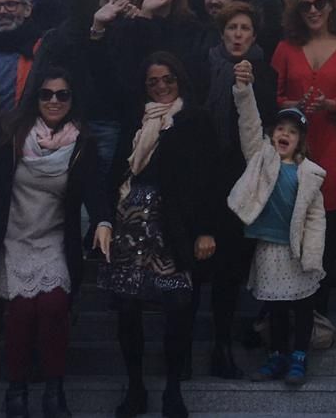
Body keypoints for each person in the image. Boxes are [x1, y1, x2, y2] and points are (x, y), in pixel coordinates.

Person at [0, 66, 109, 418]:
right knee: (22, 311)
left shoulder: (81, 142)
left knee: (54, 306)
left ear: (73, 100)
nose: (54, 101)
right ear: (35, 98)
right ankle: (17, 391)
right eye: (46, 94)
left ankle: (55, 391)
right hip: (12, 237)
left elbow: (94, 189)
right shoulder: (12, 133)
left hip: (53, 237)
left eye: (62, 94)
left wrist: (103, 220)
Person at [102, 54, 219, 418]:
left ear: (179, 79)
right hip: (131, 223)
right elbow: (117, 170)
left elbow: (209, 179)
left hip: (176, 226)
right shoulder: (136, 120)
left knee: (178, 308)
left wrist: (206, 229)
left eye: (167, 78)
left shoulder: (196, 119)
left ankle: (173, 387)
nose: (161, 86)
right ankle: (135, 386)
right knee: (127, 310)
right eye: (153, 81)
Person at [227, 68, 328, 387]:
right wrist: (243, 89)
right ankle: (277, 354)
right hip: (269, 248)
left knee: (301, 308)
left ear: (301, 141)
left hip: (297, 252)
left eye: (292, 132)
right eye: (280, 129)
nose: (285, 134)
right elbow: (248, 123)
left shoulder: (309, 174)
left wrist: (312, 255)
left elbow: (315, 218)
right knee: (276, 308)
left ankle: (299, 356)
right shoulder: (262, 158)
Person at [271, 0, 336, 326]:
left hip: (334, 150)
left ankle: (315, 315)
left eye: (319, 3)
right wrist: (290, 105)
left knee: (325, 234)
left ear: (330, 7)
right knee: (286, 233)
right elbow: (273, 95)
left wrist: (331, 104)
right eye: (305, 6)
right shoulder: (284, 48)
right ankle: (282, 311)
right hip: (291, 153)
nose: (312, 10)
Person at [198, 2, 277, 379]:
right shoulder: (205, 67)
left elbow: (268, 126)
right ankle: (215, 345)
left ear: (254, 36)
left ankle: (231, 341)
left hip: (247, 178)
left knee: (234, 264)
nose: (238, 34)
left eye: (245, 28)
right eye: (232, 27)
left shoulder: (266, 72)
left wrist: (249, 86)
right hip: (209, 175)